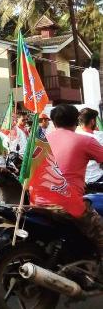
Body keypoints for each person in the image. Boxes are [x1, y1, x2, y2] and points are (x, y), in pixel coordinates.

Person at [47, 104, 103, 279]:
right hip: (68, 203)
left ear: (54, 122)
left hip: (37, 201)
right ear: (75, 121)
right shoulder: (84, 141)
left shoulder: (41, 140)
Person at [76, 108, 103, 185]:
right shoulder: (97, 138)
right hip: (96, 178)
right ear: (92, 121)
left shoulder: (74, 136)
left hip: (80, 180)